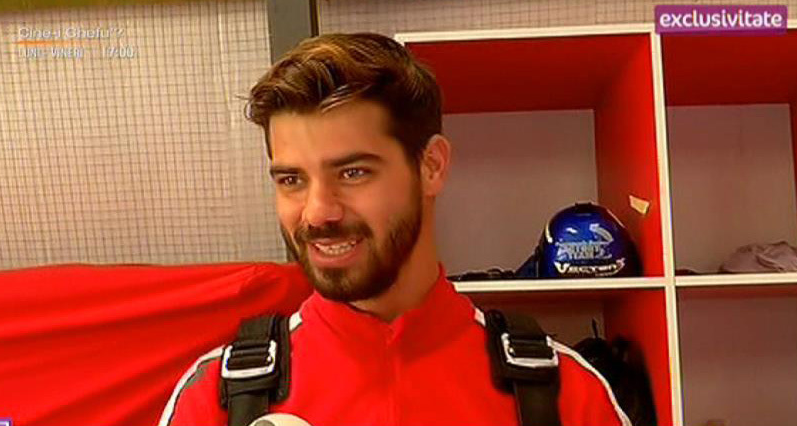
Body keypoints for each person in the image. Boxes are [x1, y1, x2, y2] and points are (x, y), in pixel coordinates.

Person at [158, 32, 631, 426]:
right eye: (291, 180)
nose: (318, 213)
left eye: (353, 173)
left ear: (431, 166)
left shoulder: (566, 395)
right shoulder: (219, 400)